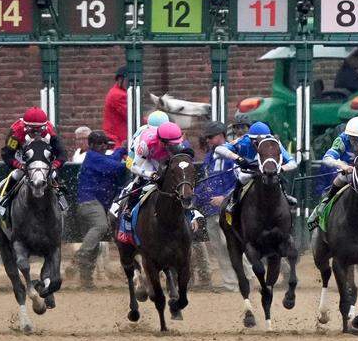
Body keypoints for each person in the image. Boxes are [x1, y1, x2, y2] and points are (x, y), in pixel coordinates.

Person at [111, 122, 197, 245]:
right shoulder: (145, 143)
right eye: (172, 144)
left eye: (177, 143)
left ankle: (191, 213)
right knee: (141, 181)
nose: (175, 146)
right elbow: (133, 167)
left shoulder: (176, 143)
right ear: (162, 142)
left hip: (161, 158)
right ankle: (128, 213)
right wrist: (150, 174)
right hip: (145, 159)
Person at [307, 116, 358, 231]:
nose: (353, 141)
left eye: (356, 138)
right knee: (340, 179)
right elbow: (327, 158)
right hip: (348, 171)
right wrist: (342, 165)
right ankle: (323, 206)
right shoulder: (342, 139)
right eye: (351, 137)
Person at [0, 107, 68, 218]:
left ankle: (60, 198)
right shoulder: (16, 134)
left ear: (45, 127)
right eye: (32, 130)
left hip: (44, 160)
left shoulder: (51, 133)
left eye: (40, 130)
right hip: (23, 157)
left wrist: (54, 165)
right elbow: (7, 154)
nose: (36, 134)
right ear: (25, 127)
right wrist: (19, 165)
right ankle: (3, 201)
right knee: (16, 175)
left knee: (53, 174)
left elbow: (62, 153)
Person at [74, 130, 127, 288]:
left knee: (95, 247)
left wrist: (121, 150)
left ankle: (86, 281)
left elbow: (112, 159)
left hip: (92, 204)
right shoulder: (93, 157)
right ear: (91, 145)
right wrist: (130, 161)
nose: (103, 146)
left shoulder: (99, 157)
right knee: (101, 226)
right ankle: (80, 255)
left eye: (105, 143)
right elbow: (116, 167)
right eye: (99, 144)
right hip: (89, 203)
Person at [214, 121, 298, 214]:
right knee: (243, 177)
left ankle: (285, 195)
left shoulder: (274, 142)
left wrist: (280, 168)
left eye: (262, 141)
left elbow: (293, 163)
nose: (258, 144)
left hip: (268, 170)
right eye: (255, 141)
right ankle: (234, 201)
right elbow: (219, 149)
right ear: (250, 138)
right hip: (248, 169)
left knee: (276, 177)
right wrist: (237, 158)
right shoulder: (244, 140)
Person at [194, 121, 239, 291]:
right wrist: (195, 198)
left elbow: (240, 180)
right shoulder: (209, 157)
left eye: (210, 137)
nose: (208, 140)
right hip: (211, 210)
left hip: (229, 208)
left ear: (221, 136)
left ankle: (247, 278)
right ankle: (230, 282)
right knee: (219, 248)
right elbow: (207, 182)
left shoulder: (232, 154)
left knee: (231, 244)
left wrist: (225, 197)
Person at [102, 65, 129, 148]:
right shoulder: (119, 95)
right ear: (120, 80)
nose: (129, 83)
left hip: (119, 138)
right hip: (118, 140)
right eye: (127, 80)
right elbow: (132, 116)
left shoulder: (118, 92)